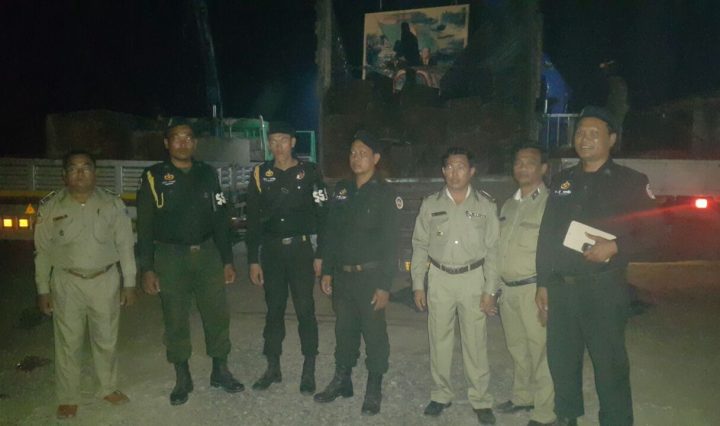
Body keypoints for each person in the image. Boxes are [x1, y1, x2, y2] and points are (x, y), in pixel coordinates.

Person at [536, 106, 661, 426]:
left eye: (594, 133)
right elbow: (548, 234)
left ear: (611, 139)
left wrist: (616, 246)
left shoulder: (630, 181)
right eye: (580, 132)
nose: (585, 139)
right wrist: (543, 282)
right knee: (562, 359)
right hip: (562, 289)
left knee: (609, 363)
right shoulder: (563, 180)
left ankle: (616, 420)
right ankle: (567, 416)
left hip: (604, 289)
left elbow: (656, 233)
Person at [136, 118, 244, 406]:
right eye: (177, 138)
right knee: (175, 316)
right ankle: (182, 377)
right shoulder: (153, 176)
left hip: (207, 253)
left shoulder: (207, 174)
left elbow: (220, 218)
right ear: (167, 143)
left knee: (217, 313)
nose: (183, 143)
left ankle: (220, 370)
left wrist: (227, 259)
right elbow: (144, 226)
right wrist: (147, 268)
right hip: (170, 256)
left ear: (194, 143)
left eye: (188, 138)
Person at [34, 150, 137, 419]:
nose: (80, 173)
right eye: (73, 168)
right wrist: (43, 289)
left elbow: (126, 245)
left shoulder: (113, 204)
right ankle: (68, 397)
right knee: (68, 342)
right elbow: (42, 251)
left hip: (105, 280)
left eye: (86, 167)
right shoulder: (51, 207)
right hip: (67, 281)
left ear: (95, 172)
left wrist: (129, 283)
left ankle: (108, 388)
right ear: (64, 175)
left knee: (106, 338)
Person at [410, 147, 500, 425]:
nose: (454, 173)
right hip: (439, 278)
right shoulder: (430, 204)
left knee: (475, 342)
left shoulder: (486, 205)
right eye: (449, 167)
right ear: (443, 171)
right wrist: (418, 284)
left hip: (473, 279)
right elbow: (419, 245)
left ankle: (481, 399)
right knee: (439, 339)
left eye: (460, 167)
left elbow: (494, 250)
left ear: (471, 171)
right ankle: (441, 394)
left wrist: (490, 290)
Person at [313, 130, 399, 416]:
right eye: (352, 152)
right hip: (343, 276)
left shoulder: (385, 193)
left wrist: (385, 285)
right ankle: (343, 379)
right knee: (344, 329)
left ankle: (374, 385)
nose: (356, 158)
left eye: (363, 153)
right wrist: (327, 271)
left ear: (375, 158)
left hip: (371, 277)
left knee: (374, 333)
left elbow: (391, 242)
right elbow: (331, 232)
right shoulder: (342, 189)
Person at [245, 121, 327, 394]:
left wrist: (321, 253)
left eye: (283, 140)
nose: (278, 146)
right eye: (273, 141)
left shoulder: (310, 172)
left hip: (300, 251)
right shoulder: (260, 173)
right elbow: (252, 219)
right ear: (269, 144)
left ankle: (309, 367)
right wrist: (253, 260)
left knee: (305, 309)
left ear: (293, 142)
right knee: (274, 309)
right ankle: (273, 367)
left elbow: (322, 214)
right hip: (272, 252)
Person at [495, 143, 556, 426]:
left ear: (543, 168)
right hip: (508, 290)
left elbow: (555, 251)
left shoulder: (552, 204)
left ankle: (545, 412)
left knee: (540, 350)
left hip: (535, 289)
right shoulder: (509, 204)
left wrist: (549, 288)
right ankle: (523, 397)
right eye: (518, 162)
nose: (522, 167)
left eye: (530, 162)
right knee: (517, 347)